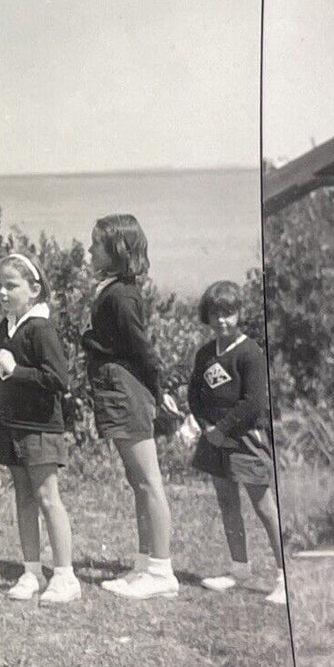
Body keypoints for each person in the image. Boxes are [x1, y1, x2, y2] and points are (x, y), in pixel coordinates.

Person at [0, 252, 81, 606]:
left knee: (48, 498)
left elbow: (58, 379)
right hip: (13, 423)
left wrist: (15, 370)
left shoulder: (40, 328)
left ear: (34, 289)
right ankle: (31, 570)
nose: (2, 293)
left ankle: (65, 576)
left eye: (10, 286)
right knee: (23, 497)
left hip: (40, 426)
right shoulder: (7, 325)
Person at [82, 214, 179, 599]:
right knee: (137, 481)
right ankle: (144, 564)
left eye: (96, 245)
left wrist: (159, 390)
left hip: (127, 387)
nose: (90, 250)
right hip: (118, 385)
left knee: (148, 480)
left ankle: (161, 571)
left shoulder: (121, 295)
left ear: (118, 250)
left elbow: (142, 350)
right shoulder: (114, 289)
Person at [187, 280, 286, 605]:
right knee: (227, 501)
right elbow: (195, 396)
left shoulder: (250, 352)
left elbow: (254, 403)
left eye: (228, 313)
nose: (222, 321)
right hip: (214, 437)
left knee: (263, 506)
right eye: (215, 314)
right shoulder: (205, 353)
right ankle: (238, 568)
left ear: (239, 313)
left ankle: (285, 576)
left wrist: (223, 428)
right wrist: (207, 427)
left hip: (245, 437)